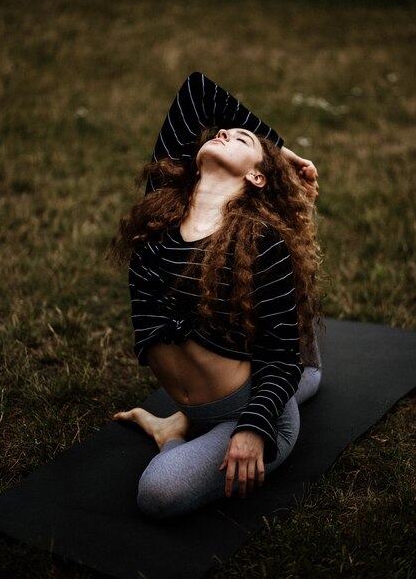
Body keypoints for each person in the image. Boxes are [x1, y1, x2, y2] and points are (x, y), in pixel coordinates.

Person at [110, 72, 322, 519]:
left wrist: (252, 430)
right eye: (224, 131)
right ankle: (183, 420)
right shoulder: (163, 203)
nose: (224, 131)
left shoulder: (260, 240)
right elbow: (198, 92)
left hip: (254, 416)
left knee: (157, 495)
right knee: (307, 379)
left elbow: (281, 355)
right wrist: (280, 150)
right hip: (206, 403)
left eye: (241, 138)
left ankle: (176, 432)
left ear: (256, 177)